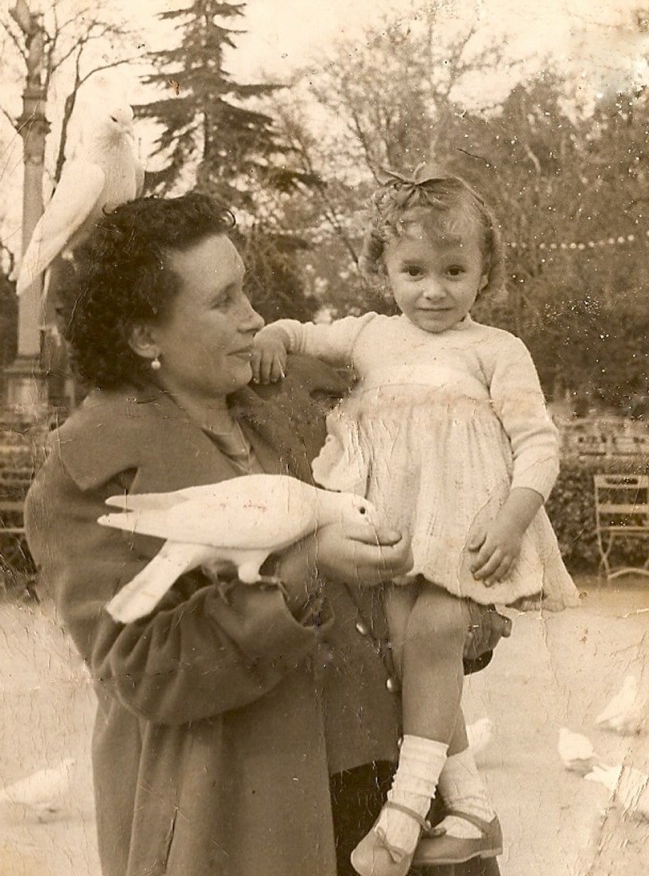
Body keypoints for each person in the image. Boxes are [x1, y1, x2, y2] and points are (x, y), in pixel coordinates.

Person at [24, 193, 509, 876]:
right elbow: (145, 672)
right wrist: (304, 571)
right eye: (222, 301)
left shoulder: (295, 412)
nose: (253, 317)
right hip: (248, 823)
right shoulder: (87, 472)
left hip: (396, 801)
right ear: (145, 337)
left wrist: (460, 607)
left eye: (245, 290)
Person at [252, 169, 580, 876]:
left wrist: (513, 520)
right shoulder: (368, 335)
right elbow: (300, 333)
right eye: (414, 271)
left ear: (485, 272)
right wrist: (275, 335)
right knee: (410, 659)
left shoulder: (496, 349)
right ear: (385, 270)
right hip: (398, 540)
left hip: (470, 534)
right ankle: (472, 808)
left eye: (454, 271)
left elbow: (537, 443)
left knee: (433, 634)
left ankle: (402, 815)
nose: (434, 291)